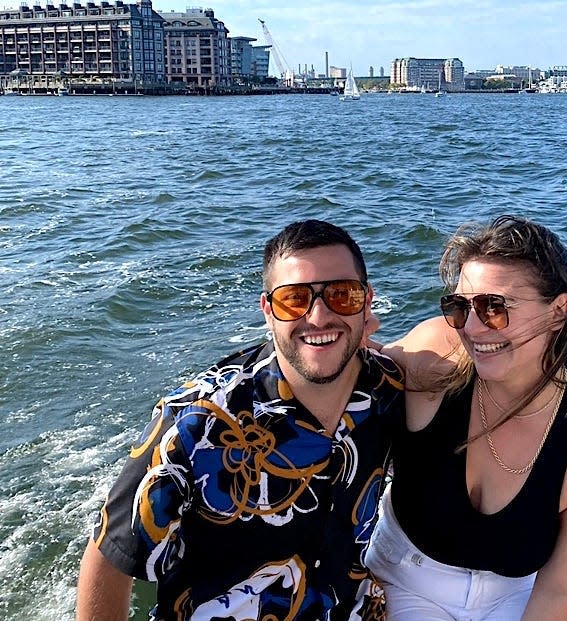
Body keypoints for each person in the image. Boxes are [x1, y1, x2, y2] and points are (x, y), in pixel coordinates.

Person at [76, 219, 404, 621]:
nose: (319, 316)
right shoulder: (198, 422)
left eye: (342, 295)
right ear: (268, 311)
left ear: (367, 303)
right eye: (294, 300)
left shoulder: (390, 391)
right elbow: (109, 557)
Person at [365, 215, 567, 621]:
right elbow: (351, 372)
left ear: (559, 311)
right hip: (401, 577)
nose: (471, 328)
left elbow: (560, 589)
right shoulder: (437, 358)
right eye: (459, 307)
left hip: (512, 600)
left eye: (494, 307)